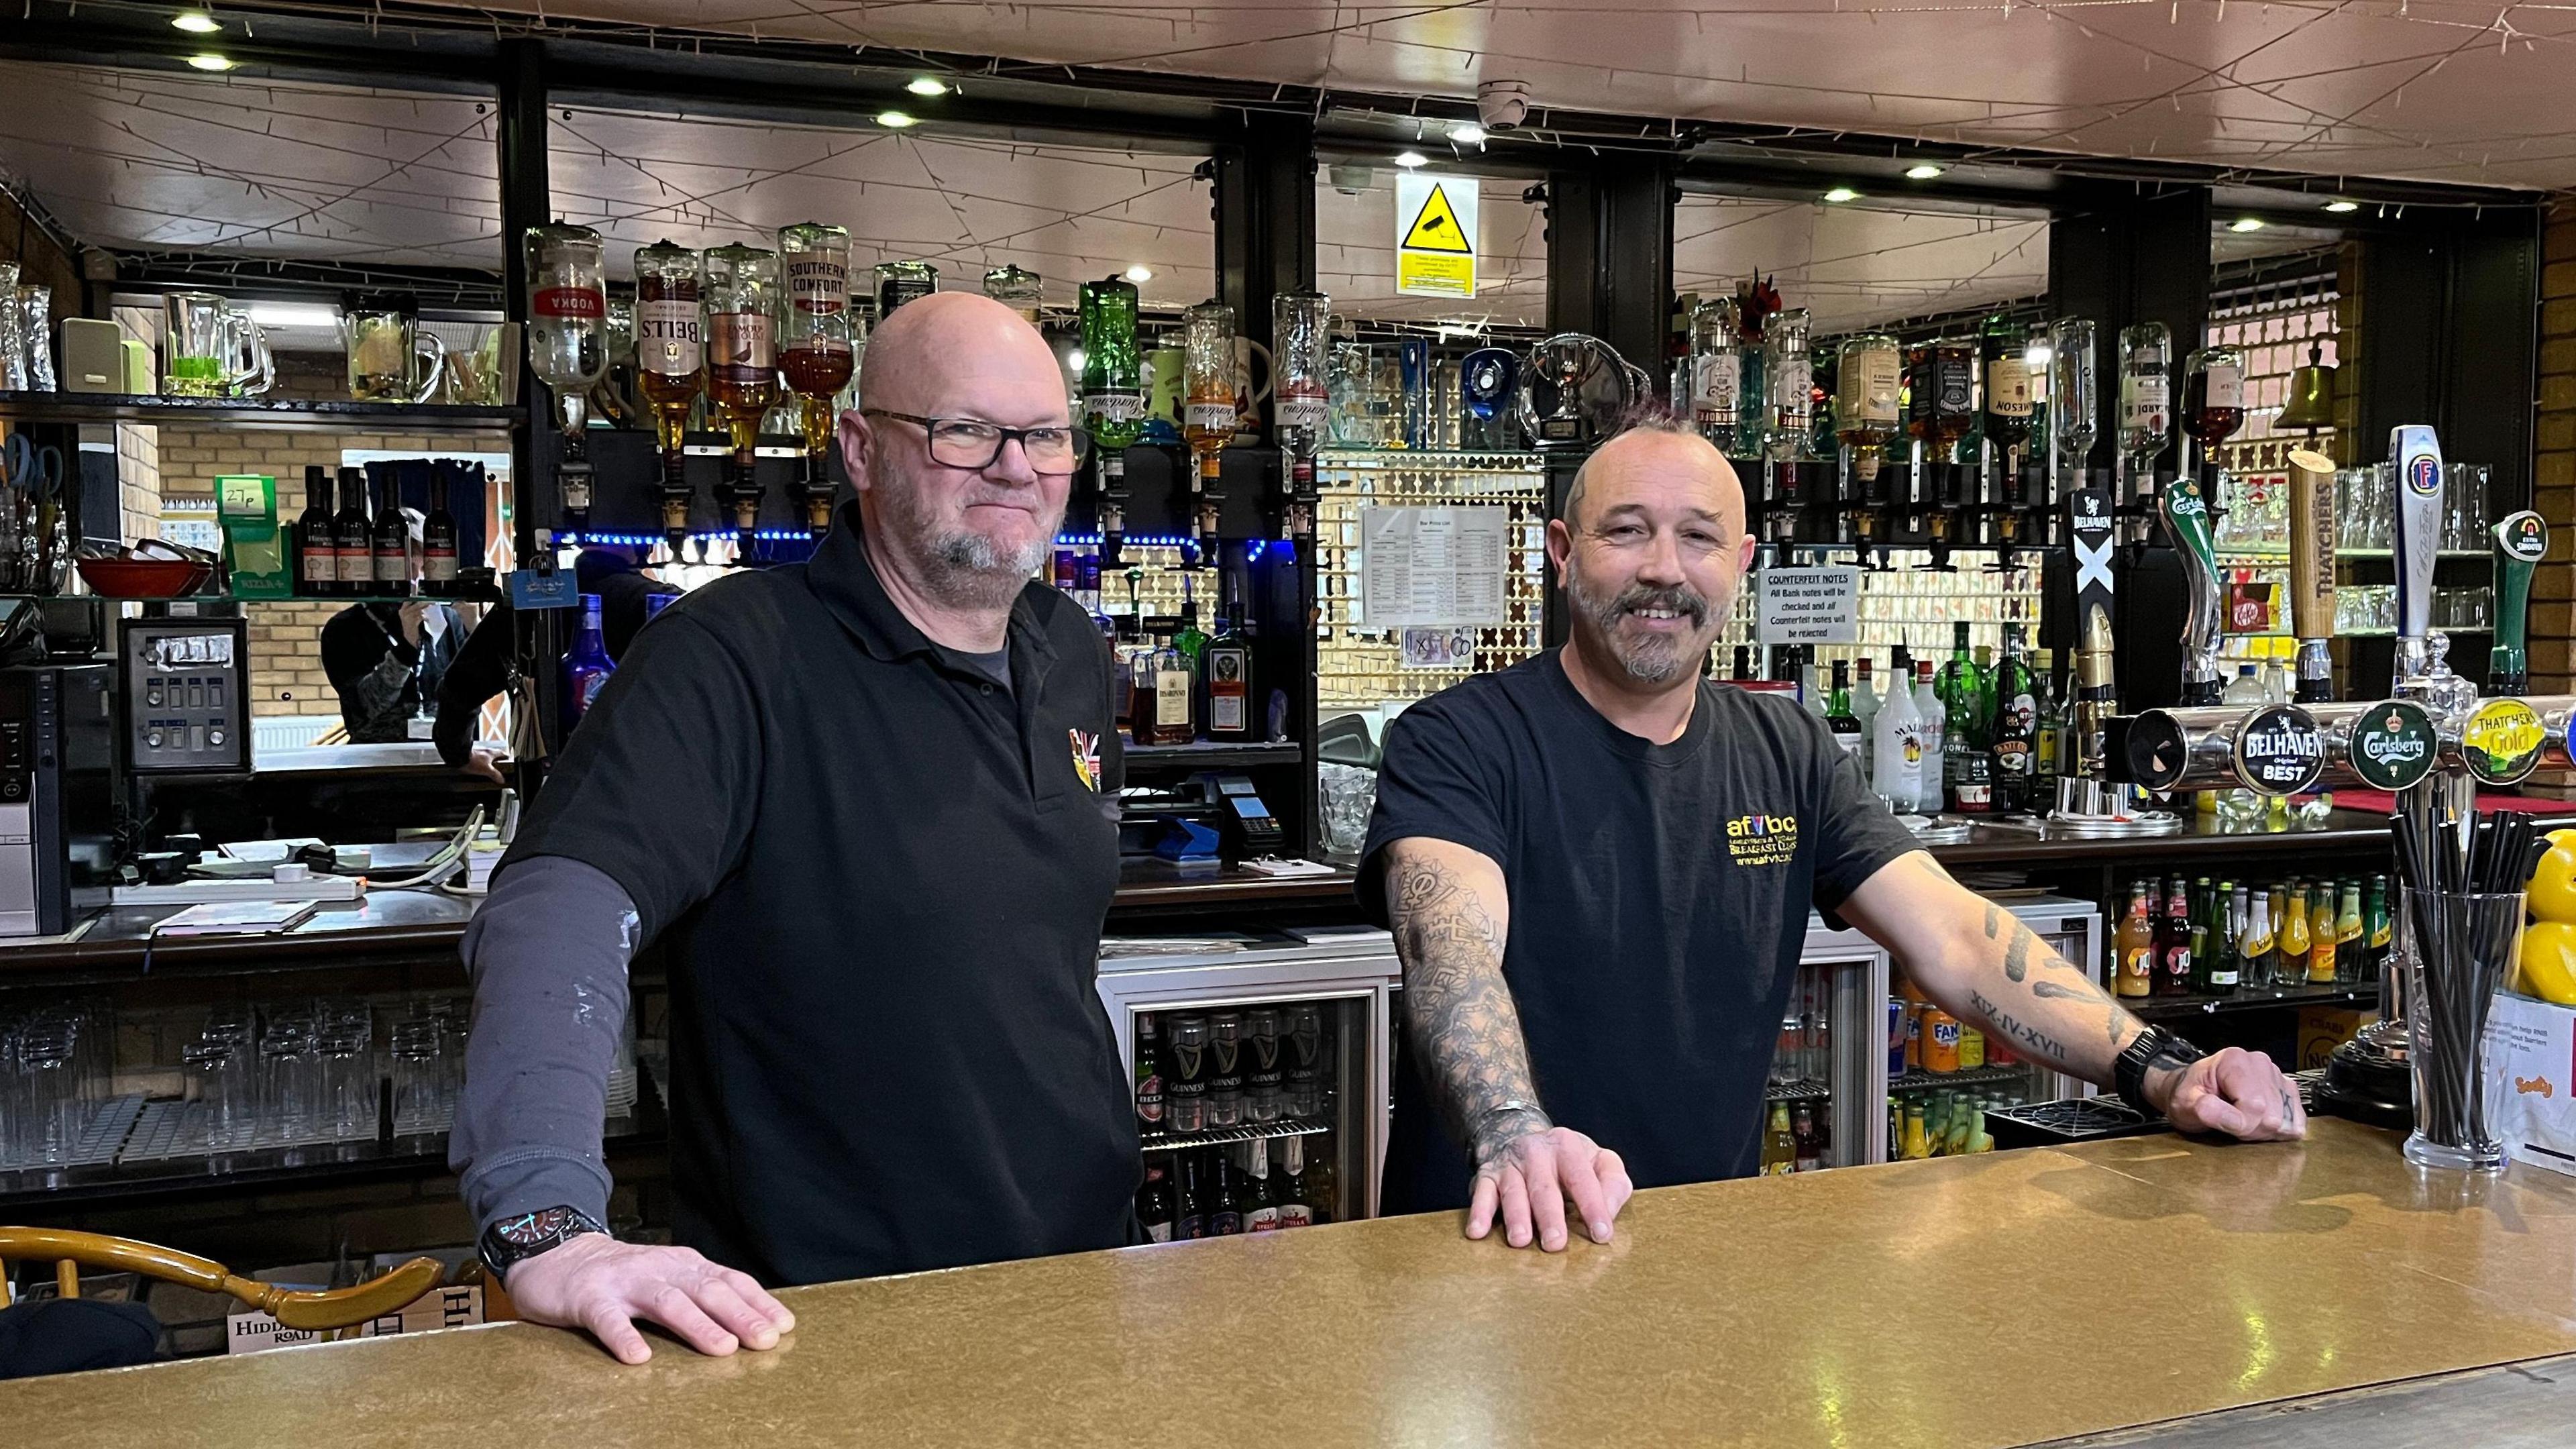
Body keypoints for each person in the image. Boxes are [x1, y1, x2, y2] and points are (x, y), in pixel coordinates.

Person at [1364, 412, 2304, 1253]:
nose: (1663, 569)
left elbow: (1959, 940)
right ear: (1564, 553)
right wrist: (1513, 1130)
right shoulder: (1460, 740)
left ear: (1739, 565)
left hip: (1698, 1246)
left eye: (1699, 538)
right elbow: (1452, 952)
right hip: (1489, 1237)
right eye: (1627, 532)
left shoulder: (1787, 749)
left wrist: (2161, 1069)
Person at [451, 292, 1130, 1363]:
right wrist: (549, 1222)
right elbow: (560, 907)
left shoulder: (1071, 652)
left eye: (1046, 436)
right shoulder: (731, 659)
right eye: (965, 430)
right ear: (860, 447)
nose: (1017, 467)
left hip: (1079, 1280)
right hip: (818, 1322)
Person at [431, 546, 676, 783]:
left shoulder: (535, 594)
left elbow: (461, 685)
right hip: (649, 775)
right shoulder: (664, 602)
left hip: (550, 782)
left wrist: (458, 754)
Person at [319, 599, 460, 743]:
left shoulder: (446, 619)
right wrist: (407, 648)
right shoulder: (342, 628)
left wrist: (475, 629)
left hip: (443, 752)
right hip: (376, 756)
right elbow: (367, 707)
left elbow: (468, 694)